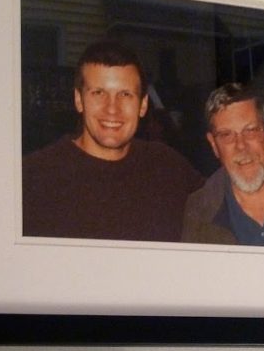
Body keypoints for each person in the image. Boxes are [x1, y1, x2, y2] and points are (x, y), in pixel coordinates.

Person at [22, 40, 202, 242]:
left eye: (125, 94)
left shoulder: (169, 168)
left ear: (142, 105)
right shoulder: (33, 178)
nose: (112, 109)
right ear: (79, 100)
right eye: (99, 93)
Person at [181, 82, 264, 248]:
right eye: (226, 135)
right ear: (214, 146)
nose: (241, 145)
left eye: (251, 130)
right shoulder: (196, 214)